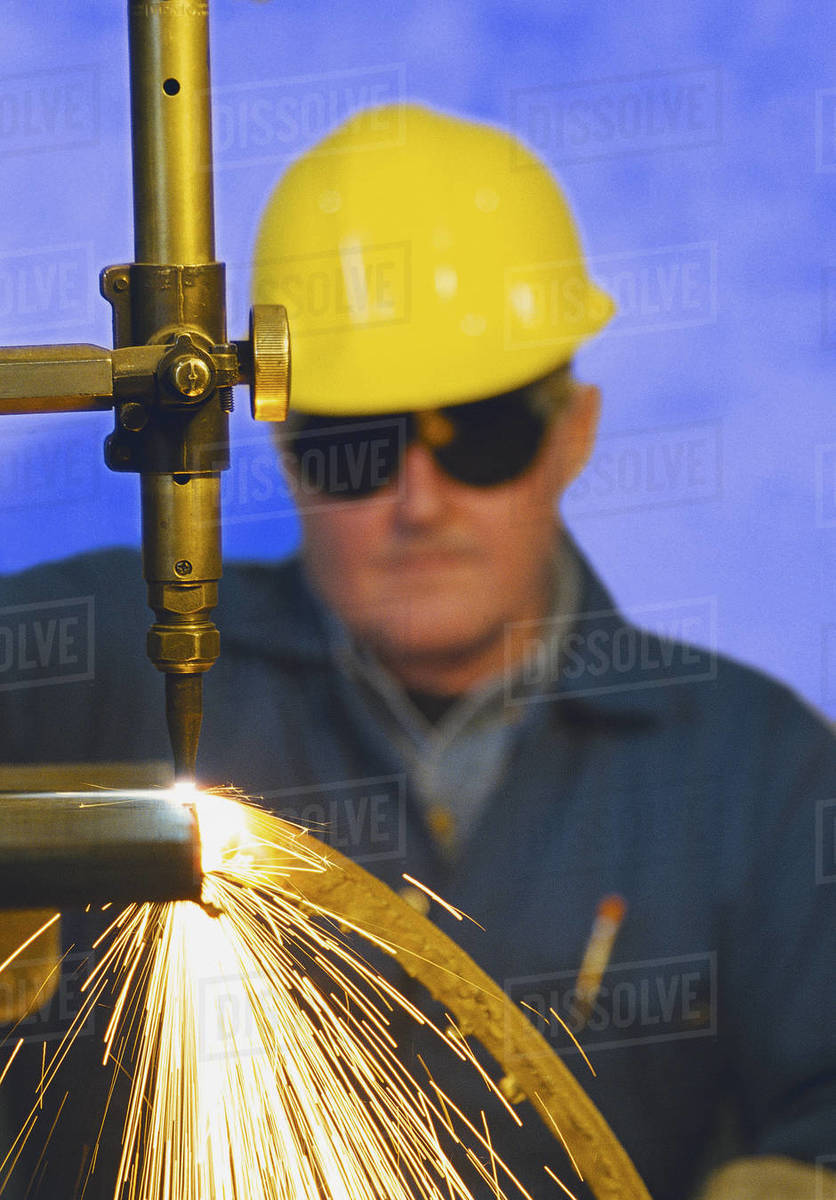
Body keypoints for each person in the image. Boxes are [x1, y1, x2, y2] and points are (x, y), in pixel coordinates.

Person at [0, 103, 834, 1200]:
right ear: (283, 450)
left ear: (573, 432)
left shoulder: (753, 770)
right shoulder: (107, 659)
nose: (419, 503)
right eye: (358, 450)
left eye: (483, 435)